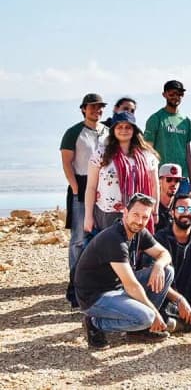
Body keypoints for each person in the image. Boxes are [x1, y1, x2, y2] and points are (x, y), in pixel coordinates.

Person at [74, 194, 174, 348]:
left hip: (117, 288)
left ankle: (139, 330)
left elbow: (164, 254)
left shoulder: (139, 232)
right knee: (146, 317)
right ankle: (95, 323)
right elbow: (131, 286)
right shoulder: (114, 239)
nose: (140, 221)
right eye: (136, 214)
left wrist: (159, 266)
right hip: (94, 297)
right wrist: (155, 313)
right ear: (125, 212)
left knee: (167, 271)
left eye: (145, 217)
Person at [60, 93, 109, 306]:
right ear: (83, 109)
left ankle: (100, 287)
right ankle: (75, 290)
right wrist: (75, 187)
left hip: (105, 188)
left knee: (104, 236)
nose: (96, 111)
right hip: (81, 185)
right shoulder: (73, 133)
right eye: (92, 107)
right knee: (79, 239)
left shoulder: (108, 132)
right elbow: (67, 162)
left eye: (99, 107)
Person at [85, 112, 159, 234]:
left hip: (138, 213)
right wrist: (88, 216)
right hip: (107, 213)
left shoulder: (147, 156)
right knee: (109, 250)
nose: (123, 130)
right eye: (119, 127)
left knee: (134, 249)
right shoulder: (101, 154)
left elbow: (154, 185)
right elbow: (91, 187)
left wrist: (154, 211)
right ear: (113, 130)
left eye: (128, 127)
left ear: (134, 130)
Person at [152, 193, 191, 332]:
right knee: (152, 310)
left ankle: (182, 323)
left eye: (190, 210)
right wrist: (179, 300)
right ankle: (178, 323)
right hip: (168, 300)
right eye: (181, 209)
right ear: (172, 212)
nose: (186, 213)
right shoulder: (160, 239)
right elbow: (153, 278)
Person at [144, 80, 191, 193]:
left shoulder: (186, 121)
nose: (175, 97)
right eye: (172, 94)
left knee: (182, 210)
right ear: (164, 94)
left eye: (179, 94)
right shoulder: (156, 118)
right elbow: (148, 152)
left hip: (182, 179)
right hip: (161, 178)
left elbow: (188, 154)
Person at [155, 163, 183, 232]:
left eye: (177, 180)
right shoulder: (152, 207)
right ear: (159, 181)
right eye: (169, 179)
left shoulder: (180, 205)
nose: (173, 183)